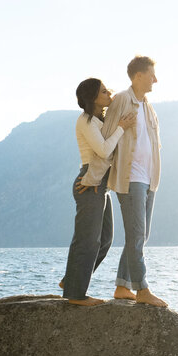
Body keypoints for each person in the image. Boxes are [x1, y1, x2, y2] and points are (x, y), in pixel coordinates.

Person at [60, 78, 136, 306]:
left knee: (105, 239)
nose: (108, 93)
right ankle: (76, 294)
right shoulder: (86, 120)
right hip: (89, 181)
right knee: (87, 240)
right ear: (92, 97)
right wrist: (122, 128)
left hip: (100, 183)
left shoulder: (102, 119)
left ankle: (71, 281)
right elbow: (103, 150)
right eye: (103, 91)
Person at [100, 55, 167, 307]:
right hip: (130, 178)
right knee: (137, 234)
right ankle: (142, 290)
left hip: (149, 179)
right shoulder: (121, 101)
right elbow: (106, 137)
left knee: (141, 235)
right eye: (152, 75)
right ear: (138, 76)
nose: (155, 80)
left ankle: (122, 286)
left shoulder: (148, 106)